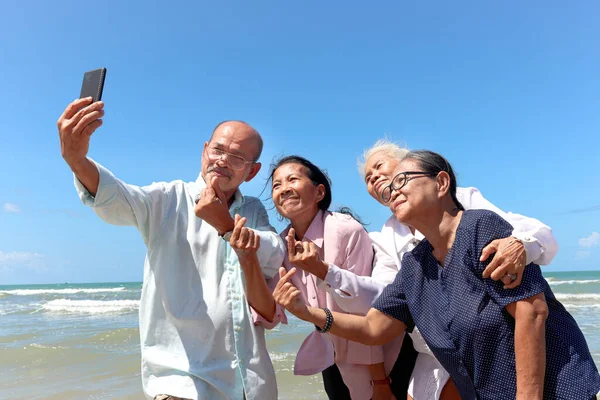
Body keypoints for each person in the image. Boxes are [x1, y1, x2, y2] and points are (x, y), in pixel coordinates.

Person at [274, 149, 600, 400]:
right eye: (386, 189)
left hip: (557, 388)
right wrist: (308, 312)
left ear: (441, 183)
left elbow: (531, 312)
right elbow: (375, 327)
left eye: (401, 180)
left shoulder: (478, 225)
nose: (391, 189)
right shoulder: (414, 265)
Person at [56, 97, 286, 400]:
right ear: (204, 150)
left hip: (250, 384)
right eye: (217, 149)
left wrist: (225, 224)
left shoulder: (253, 210)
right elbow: (118, 198)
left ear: (252, 171)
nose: (222, 160)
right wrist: (77, 160)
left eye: (236, 157)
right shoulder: (168, 198)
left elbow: (274, 253)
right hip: (182, 384)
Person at [268, 155, 401, 400]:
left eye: (292, 180)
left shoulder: (345, 230)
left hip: (378, 360)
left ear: (319, 192)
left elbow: (365, 311)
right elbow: (269, 315)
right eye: (277, 185)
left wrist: (380, 380)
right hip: (330, 354)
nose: (284, 189)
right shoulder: (282, 243)